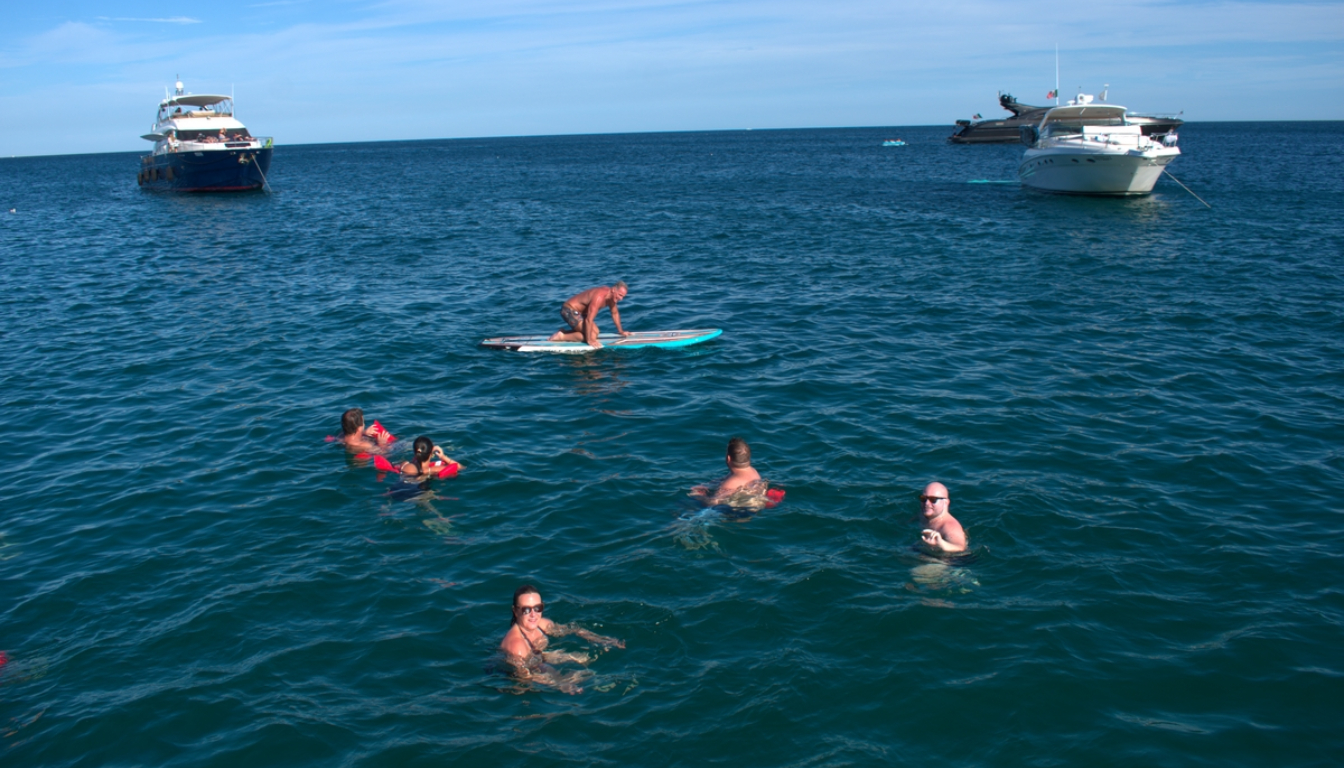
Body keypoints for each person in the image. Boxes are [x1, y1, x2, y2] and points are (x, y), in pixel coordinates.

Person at [499, 585, 624, 694]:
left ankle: (610, 679)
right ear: (515, 611)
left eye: (538, 608)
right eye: (526, 610)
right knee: (576, 676)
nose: (533, 614)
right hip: (521, 677)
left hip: (540, 659)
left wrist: (602, 640)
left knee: (585, 658)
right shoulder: (517, 645)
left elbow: (574, 629)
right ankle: (604, 685)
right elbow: (525, 678)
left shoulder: (542, 624)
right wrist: (559, 685)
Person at [690, 437, 771, 507]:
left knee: (690, 507)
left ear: (728, 458)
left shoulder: (729, 484)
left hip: (741, 512)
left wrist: (700, 496)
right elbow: (726, 479)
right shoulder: (752, 471)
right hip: (755, 503)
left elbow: (713, 503)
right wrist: (708, 484)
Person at [547, 282, 630, 348]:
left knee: (596, 331)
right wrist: (589, 340)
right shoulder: (599, 297)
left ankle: (564, 332)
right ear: (613, 290)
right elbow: (588, 320)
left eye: (623, 296)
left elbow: (614, 313)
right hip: (568, 310)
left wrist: (620, 331)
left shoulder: (612, 297)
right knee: (591, 335)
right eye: (620, 295)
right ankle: (561, 336)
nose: (621, 299)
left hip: (579, 314)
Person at [918, 482, 967, 553]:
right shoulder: (923, 514)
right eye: (923, 499)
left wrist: (940, 543)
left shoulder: (950, 527)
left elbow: (960, 547)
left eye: (933, 500)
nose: (927, 503)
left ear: (946, 502)